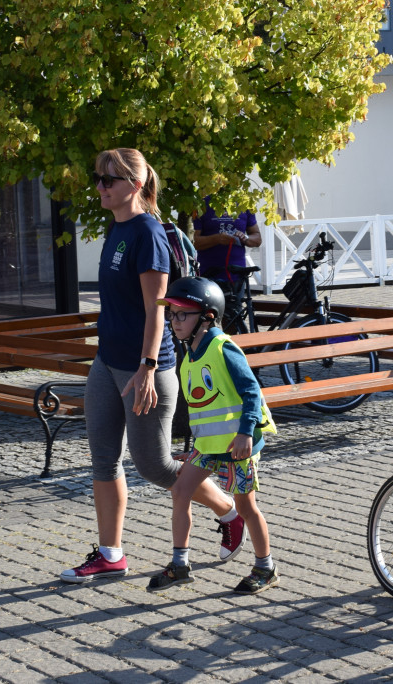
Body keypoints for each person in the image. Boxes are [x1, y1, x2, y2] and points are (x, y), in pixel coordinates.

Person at [60, 149, 245, 583]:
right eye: (98, 177)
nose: (101, 186)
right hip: (107, 362)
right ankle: (110, 555)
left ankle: (230, 511)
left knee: (155, 467)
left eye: (110, 179)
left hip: (146, 367)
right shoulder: (115, 229)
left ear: (135, 184)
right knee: (103, 459)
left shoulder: (147, 234)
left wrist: (146, 368)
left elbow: (156, 311)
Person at [149, 276, 279, 595]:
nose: (174, 321)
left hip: (238, 445)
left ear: (206, 317)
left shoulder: (223, 348)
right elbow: (203, 410)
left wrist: (246, 433)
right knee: (180, 491)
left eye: (182, 314)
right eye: (172, 314)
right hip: (209, 447)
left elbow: (251, 392)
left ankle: (266, 568)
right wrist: (194, 450)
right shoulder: (189, 356)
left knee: (246, 507)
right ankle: (180, 565)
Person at [193, 198, 261, 283]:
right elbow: (193, 242)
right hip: (207, 274)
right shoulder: (202, 204)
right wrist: (217, 239)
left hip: (237, 274)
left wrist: (245, 238)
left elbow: (257, 239)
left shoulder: (245, 202)